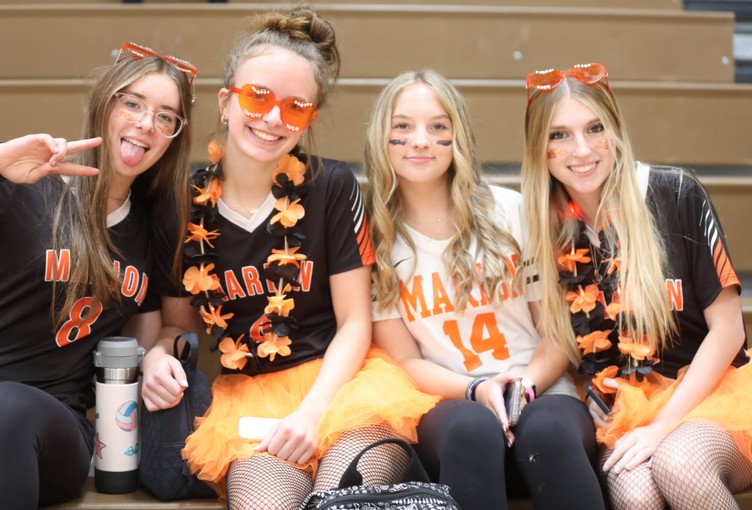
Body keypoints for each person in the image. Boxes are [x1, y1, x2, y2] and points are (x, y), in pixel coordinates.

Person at [141, 7, 439, 509]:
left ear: (309, 118)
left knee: (341, 502)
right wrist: (156, 354)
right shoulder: (182, 204)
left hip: (346, 389)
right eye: (258, 96)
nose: (273, 118)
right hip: (253, 401)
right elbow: (177, 328)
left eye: (295, 106)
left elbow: (353, 323)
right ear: (225, 102)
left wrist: (312, 412)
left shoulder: (332, 187)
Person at [364, 69, 606, 510]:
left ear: (459, 138)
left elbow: (556, 334)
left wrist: (519, 391)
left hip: (541, 392)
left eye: (438, 126)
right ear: (382, 137)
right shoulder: (373, 240)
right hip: (450, 404)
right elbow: (404, 361)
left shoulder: (511, 211)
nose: (420, 140)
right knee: (472, 428)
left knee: (548, 431)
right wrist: (477, 389)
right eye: (403, 126)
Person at [522, 62, 752, 510]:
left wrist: (662, 426)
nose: (582, 149)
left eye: (594, 128)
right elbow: (559, 341)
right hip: (622, 415)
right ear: (539, 148)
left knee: (679, 462)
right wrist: (562, 388)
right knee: (635, 491)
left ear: (617, 130)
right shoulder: (543, 229)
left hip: (713, 398)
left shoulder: (676, 192)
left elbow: (729, 331)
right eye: (559, 135)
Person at [0, 42, 195, 509]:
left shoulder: (153, 227)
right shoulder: (25, 186)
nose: (147, 123)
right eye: (133, 104)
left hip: (54, 425)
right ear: (104, 105)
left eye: (166, 116)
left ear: (172, 137)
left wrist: (152, 357)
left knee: (8, 409)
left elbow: (162, 330)